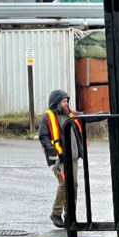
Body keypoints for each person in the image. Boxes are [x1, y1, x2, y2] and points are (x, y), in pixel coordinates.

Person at [38, 89, 84, 228]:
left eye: (67, 101)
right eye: (64, 101)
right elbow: (43, 135)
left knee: (74, 186)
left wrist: (106, 114)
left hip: (73, 158)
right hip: (60, 159)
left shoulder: (71, 114)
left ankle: (70, 215)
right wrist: (51, 150)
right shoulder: (48, 116)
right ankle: (56, 213)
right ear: (56, 103)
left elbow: (86, 116)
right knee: (65, 184)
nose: (66, 104)